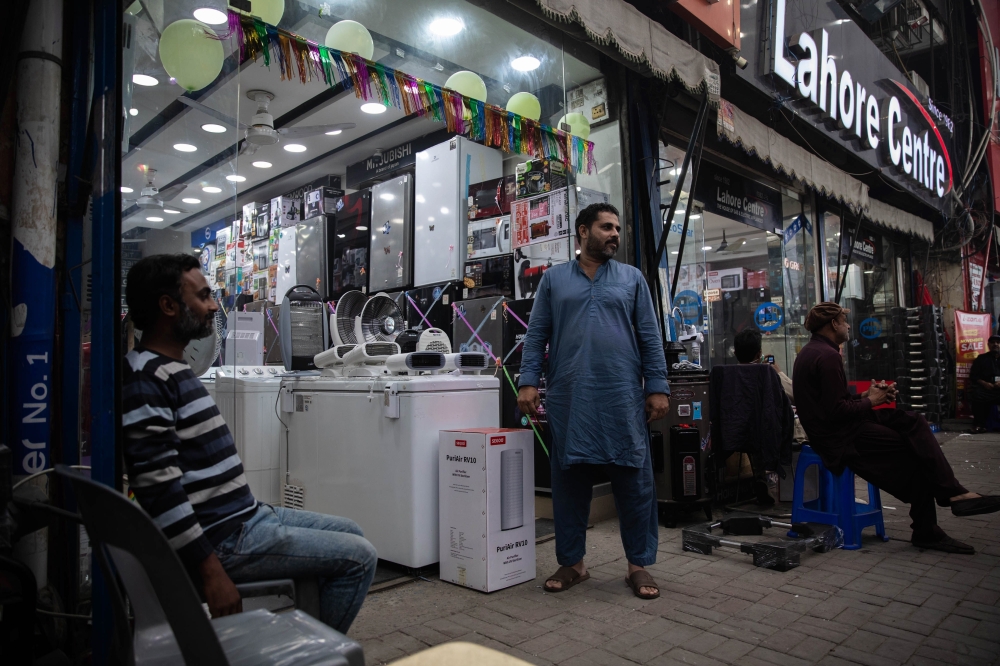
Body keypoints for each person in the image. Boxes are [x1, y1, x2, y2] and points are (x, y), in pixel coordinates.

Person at [122, 254, 376, 632]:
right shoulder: (148, 379)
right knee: (360, 558)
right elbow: (159, 491)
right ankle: (312, 656)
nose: (212, 307)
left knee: (352, 532)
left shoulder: (174, 367)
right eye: (204, 296)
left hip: (246, 515)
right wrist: (211, 571)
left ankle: (296, 639)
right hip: (226, 538)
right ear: (168, 306)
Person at [517, 203, 669, 599]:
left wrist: (657, 386)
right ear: (583, 231)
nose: (614, 233)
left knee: (634, 481)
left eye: (617, 227)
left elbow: (650, 338)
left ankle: (638, 566)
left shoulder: (632, 279)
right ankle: (573, 563)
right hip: (571, 395)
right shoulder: (554, 280)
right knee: (569, 481)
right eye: (606, 227)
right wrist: (528, 381)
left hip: (621, 395)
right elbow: (536, 336)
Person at [793, 302, 1000, 554]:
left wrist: (867, 396)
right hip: (840, 437)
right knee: (917, 451)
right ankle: (936, 517)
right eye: (843, 321)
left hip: (844, 427)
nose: (848, 325)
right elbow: (836, 413)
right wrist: (872, 401)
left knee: (914, 423)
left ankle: (952, 495)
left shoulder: (816, 351)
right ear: (833, 324)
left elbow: (834, 404)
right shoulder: (826, 357)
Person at [732, 328, 795, 505]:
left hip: (737, 434)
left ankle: (761, 478)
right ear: (759, 353)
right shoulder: (767, 374)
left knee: (754, 434)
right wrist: (778, 372)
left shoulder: (728, 375)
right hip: (769, 434)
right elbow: (795, 396)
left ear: (735, 352)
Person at [967, 335, 1000, 433]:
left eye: (998, 342)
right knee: (976, 394)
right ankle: (979, 425)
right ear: (988, 345)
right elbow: (974, 376)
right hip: (986, 389)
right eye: (993, 342)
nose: (995, 344)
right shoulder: (981, 358)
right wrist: (985, 383)